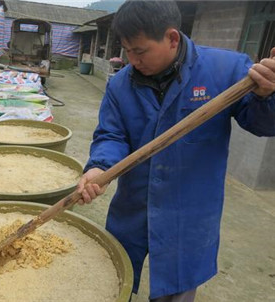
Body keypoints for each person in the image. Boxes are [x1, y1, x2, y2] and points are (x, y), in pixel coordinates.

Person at [76, 1, 275, 301]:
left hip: (189, 215)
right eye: (127, 50)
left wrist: (267, 96)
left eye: (139, 51)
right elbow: (111, 135)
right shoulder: (120, 85)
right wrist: (99, 168)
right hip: (132, 208)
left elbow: (263, 125)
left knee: (176, 292)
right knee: (113, 282)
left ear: (171, 38)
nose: (131, 60)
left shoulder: (226, 71)